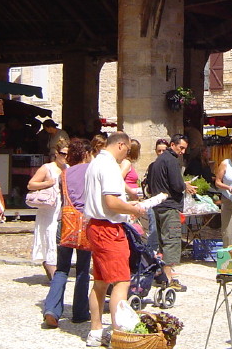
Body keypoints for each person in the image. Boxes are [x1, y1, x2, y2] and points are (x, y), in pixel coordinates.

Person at [83, 131, 146, 348]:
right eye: (127, 150)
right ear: (120, 145)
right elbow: (111, 201)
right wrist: (133, 208)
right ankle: (119, 335)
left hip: (95, 225)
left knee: (100, 282)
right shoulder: (109, 165)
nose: (126, 155)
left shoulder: (94, 162)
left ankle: (96, 331)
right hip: (108, 227)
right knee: (121, 280)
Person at [42, 138, 93, 328]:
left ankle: (52, 309)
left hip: (65, 223)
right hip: (85, 223)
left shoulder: (64, 173)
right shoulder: (91, 170)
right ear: (86, 154)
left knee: (62, 268)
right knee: (82, 269)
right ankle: (80, 312)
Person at [147, 134, 197, 291]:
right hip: (169, 207)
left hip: (158, 205)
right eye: (180, 147)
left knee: (163, 242)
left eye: (184, 149)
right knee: (172, 241)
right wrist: (185, 186)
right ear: (173, 145)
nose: (182, 151)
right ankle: (168, 279)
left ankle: (162, 275)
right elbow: (176, 184)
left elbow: (154, 184)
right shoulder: (172, 161)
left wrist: (182, 183)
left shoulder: (157, 162)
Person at [28, 137, 69, 280]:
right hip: (49, 209)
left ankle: (55, 269)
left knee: (59, 239)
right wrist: (48, 183)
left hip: (62, 208)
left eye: (68, 154)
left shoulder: (68, 169)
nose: (65, 157)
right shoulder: (47, 168)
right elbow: (31, 185)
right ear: (56, 153)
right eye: (63, 154)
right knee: (49, 236)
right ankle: (52, 270)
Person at [143, 138, 169, 252]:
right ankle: (152, 255)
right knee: (153, 230)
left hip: (167, 203)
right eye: (159, 151)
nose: (161, 153)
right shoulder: (152, 166)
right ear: (156, 151)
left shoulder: (171, 165)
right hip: (154, 201)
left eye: (164, 150)